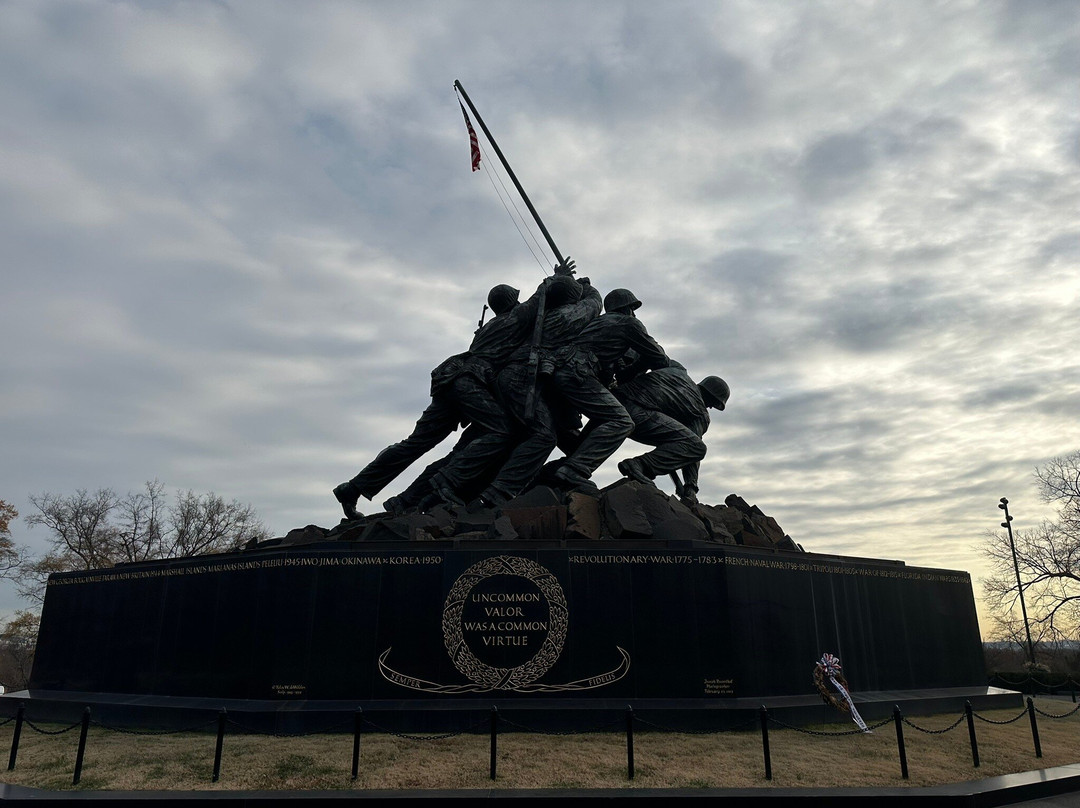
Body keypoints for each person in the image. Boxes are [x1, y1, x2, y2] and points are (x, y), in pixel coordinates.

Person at [332, 278, 550, 520]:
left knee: (415, 443)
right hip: (470, 382)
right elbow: (539, 298)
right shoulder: (513, 319)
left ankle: (353, 488)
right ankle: (446, 481)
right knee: (501, 431)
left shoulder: (490, 326)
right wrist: (555, 277)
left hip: (451, 378)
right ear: (512, 301)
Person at [546, 287, 669, 493]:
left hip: (564, 371)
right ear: (627, 308)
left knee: (583, 431)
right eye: (632, 308)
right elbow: (660, 358)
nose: (635, 313)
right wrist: (641, 364)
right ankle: (574, 470)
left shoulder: (597, 324)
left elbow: (612, 372)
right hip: (577, 373)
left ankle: (557, 471)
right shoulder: (628, 324)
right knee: (622, 422)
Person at [612, 362, 729, 505]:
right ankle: (639, 465)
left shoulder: (678, 370)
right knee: (698, 447)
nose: (710, 407)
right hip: (637, 414)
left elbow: (651, 357)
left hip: (613, 398)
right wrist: (690, 488)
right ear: (711, 397)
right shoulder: (700, 413)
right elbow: (691, 450)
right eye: (713, 403)